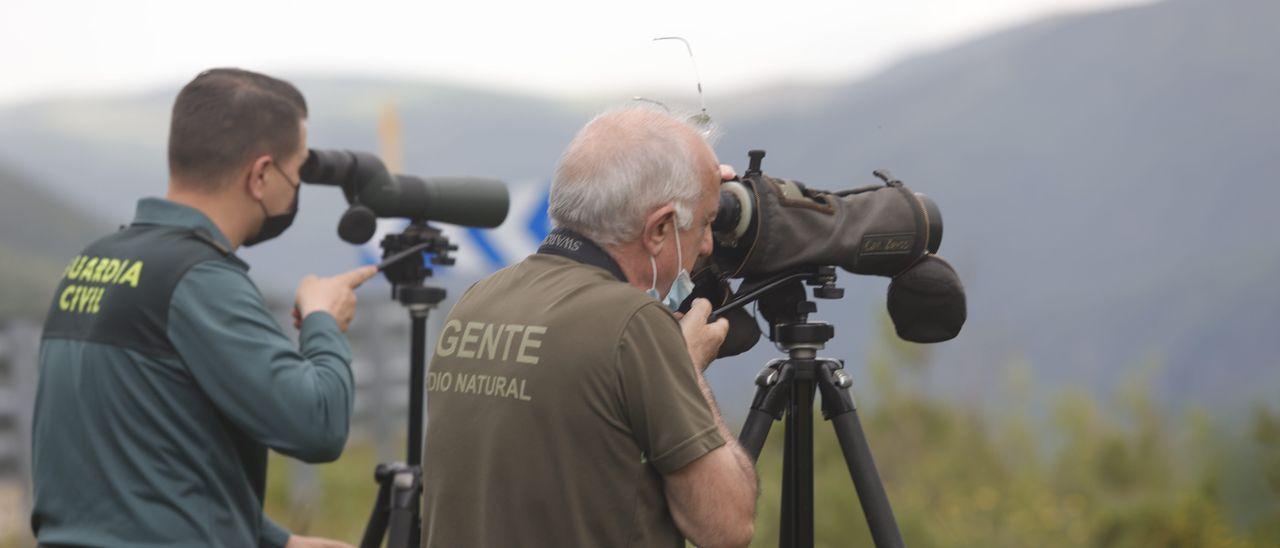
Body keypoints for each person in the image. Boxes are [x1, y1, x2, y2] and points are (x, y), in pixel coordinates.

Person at [30, 68, 374, 548]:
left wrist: (275, 541)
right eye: (296, 174)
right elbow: (317, 427)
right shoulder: (200, 278)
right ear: (260, 175)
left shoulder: (94, 261)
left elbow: (135, 456)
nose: (296, 189)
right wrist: (323, 321)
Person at [421, 106, 757, 547]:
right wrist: (684, 364)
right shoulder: (636, 326)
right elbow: (726, 527)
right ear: (659, 229)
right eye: (706, 222)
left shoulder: (478, 300)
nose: (710, 245)